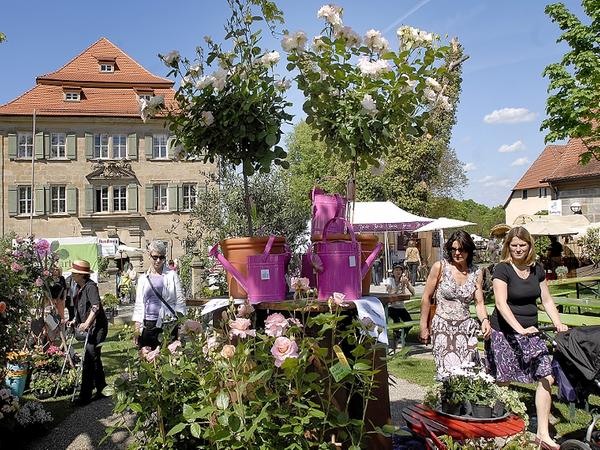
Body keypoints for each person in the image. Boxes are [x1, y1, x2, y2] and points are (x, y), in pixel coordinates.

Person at [487, 226, 567, 450]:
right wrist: (519, 329)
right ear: (508, 247)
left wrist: (557, 322)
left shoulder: (537, 270)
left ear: (529, 246)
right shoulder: (502, 269)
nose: (518, 249)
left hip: (531, 331)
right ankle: (495, 424)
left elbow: (547, 300)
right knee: (503, 379)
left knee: (546, 377)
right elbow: (501, 304)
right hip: (505, 332)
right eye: (514, 245)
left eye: (522, 245)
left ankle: (542, 433)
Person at [419, 230, 491, 378]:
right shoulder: (440, 267)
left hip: (466, 329)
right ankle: (445, 401)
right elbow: (426, 297)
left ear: (469, 250)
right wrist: (423, 327)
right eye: (453, 249)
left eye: (461, 249)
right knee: (447, 376)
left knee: (469, 375)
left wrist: (484, 320)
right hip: (442, 328)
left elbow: (479, 302)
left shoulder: (476, 272)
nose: (457, 253)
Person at [132, 240, 186, 350]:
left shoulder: (171, 275)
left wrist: (181, 325)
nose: (158, 261)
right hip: (148, 324)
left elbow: (180, 300)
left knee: (168, 356)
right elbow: (139, 304)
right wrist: (137, 329)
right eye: (155, 257)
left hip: (168, 322)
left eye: (161, 258)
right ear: (149, 256)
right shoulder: (143, 279)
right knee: (148, 358)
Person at [68, 259, 108, 406]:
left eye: (74, 272)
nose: (72, 274)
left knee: (90, 359)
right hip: (91, 327)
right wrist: (75, 320)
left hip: (97, 328)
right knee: (95, 358)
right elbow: (82, 308)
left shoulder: (90, 287)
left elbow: (96, 306)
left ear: (81, 275)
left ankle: (84, 396)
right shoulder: (79, 287)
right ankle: (102, 388)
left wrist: (87, 323)